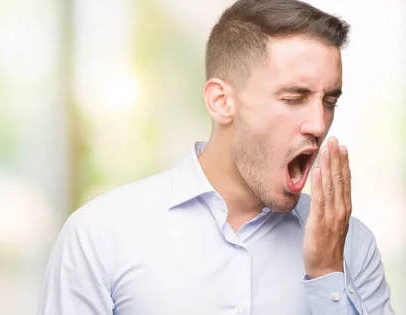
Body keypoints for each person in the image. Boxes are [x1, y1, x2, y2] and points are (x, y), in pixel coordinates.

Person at [37, 0, 395, 314]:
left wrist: (328, 276)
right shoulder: (100, 235)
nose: (319, 123)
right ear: (222, 102)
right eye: (293, 98)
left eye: (329, 101)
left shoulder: (351, 247)